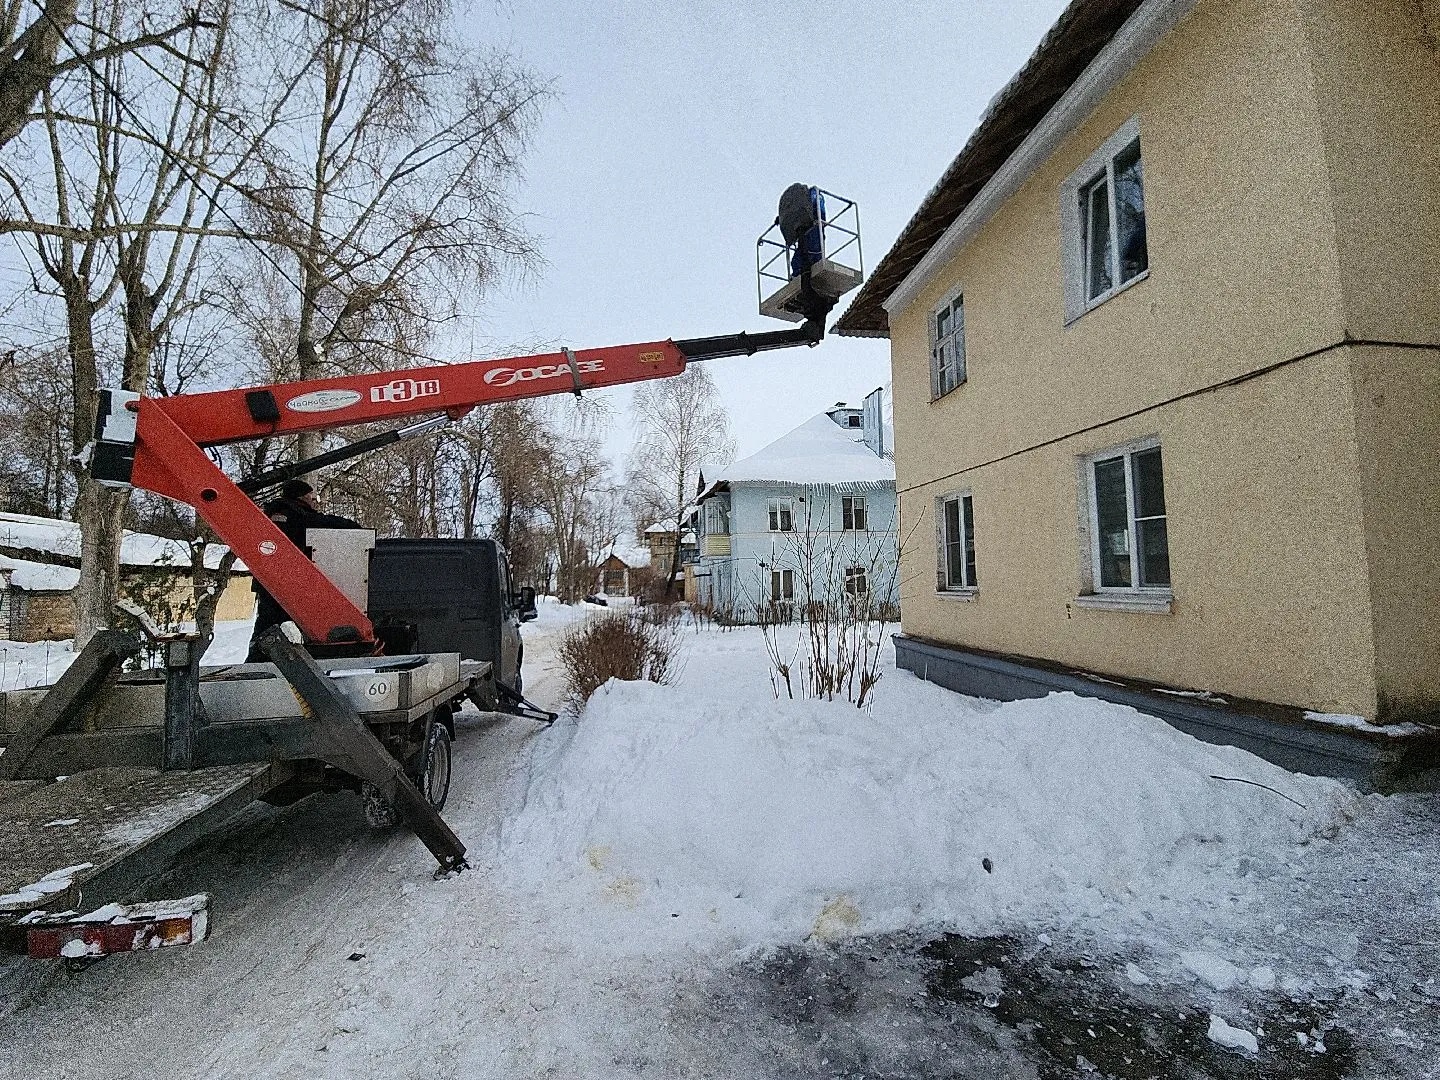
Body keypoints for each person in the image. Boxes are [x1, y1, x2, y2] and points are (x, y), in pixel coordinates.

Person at [245, 478, 364, 662]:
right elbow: (323, 522)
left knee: (266, 626)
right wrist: (355, 528)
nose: (314, 501)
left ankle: (256, 662)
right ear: (301, 497)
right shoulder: (295, 516)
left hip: (268, 585)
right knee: (284, 628)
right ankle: (270, 665)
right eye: (312, 497)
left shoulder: (268, 515)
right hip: (289, 587)